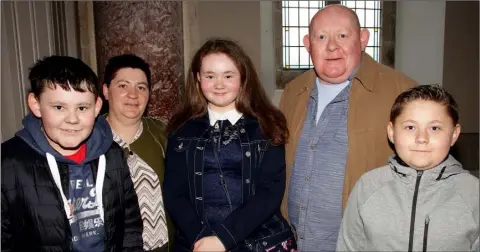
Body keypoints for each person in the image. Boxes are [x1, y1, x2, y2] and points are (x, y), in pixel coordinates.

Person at [279, 4, 416, 251]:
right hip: (295, 241)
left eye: (343, 35)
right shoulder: (292, 92)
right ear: (308, 44)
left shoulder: (402, 93)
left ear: (363, 39)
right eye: (322, 37)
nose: (332, 46)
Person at [163, 39, 297, 252]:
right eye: (210, 76)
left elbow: (270, 191)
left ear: (243, 78)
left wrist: (223, 239)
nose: (219, 84)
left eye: (228, 75)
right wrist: (201, 240)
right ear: (198, 78)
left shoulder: (268, 125)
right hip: (196, 243)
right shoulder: (181, 130)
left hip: (257, 241)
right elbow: (174, 192)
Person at [1, 56, 143, 251]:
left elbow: (130, 226)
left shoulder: (112, 155)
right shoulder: (8, 164)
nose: (72, 119)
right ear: (36, 104)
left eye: (82, 108)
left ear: (97, 107)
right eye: (59, 107)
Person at [336, 84, 479, 251]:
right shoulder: (368, 187)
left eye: (434, 128)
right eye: (410, 127)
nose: (421, 138)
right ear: (391, 132)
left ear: (454, 135)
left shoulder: (473, 193)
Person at [102, 54, 172, 252]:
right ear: (106, 91)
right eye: (123, 86)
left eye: (141, 87)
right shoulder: (90, 138)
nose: (133, 94)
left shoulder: (164, 135)